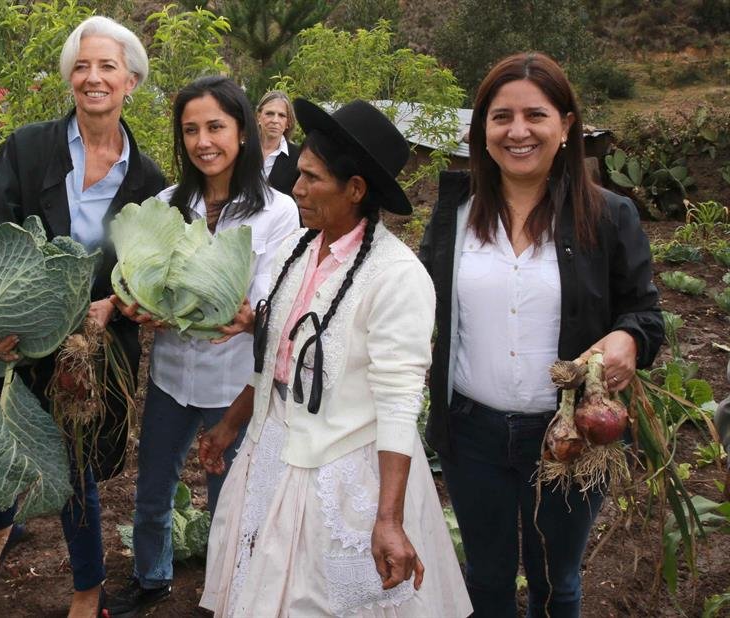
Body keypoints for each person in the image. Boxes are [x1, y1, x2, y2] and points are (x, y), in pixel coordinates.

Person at [197, 98, 472, 617]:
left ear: (356, 190)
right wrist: (232, 424)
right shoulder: (295, 252)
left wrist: (387, 519)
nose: (295, 188)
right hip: (274, 450)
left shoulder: (397, 277)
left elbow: (397, 403)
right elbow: (279, 358)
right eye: (298, 173)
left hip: (346, 473)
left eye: (311, 178)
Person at [419, 52, 664, 618]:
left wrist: (629, 339)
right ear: (483, 129)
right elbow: (417, 306)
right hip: (471, 433)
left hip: (568, 441)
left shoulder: (607, 216)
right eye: (501, 116)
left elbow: (645, 315)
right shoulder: (455, 215)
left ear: (567, 125)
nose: (518, 131)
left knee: (558, 585)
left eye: (536, 115)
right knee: (486, 580)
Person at [0, 15, 166, 618]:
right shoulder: (28, 148)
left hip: (87, 353)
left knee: (76, 469)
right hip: (11, 338)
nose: (93, 77)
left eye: (107, 67)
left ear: (131, 82)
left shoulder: (148, 181)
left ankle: (86, 587)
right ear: (69, 79)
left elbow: (145, 282)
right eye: (81, 66)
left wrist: (115, 308)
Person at [105, 76, 299, 618]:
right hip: (171, 373)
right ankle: (151, 579)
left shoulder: (278, 211)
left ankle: (228, 595)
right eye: (190, 130)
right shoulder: (167, 203)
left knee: (229, 499)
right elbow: (141, 274)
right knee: (152, 489)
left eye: (215, 126)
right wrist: (135, 302)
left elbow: (270, 295)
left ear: (242, 130)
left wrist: (249, 313)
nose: (203, 141)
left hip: (234, 381)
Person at [256, 90, 299, 197]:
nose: (275, 120)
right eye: (269, 113)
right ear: (258, 116)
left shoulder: (299, 157)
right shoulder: (242, 151)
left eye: (281, 115)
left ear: (288, 122)